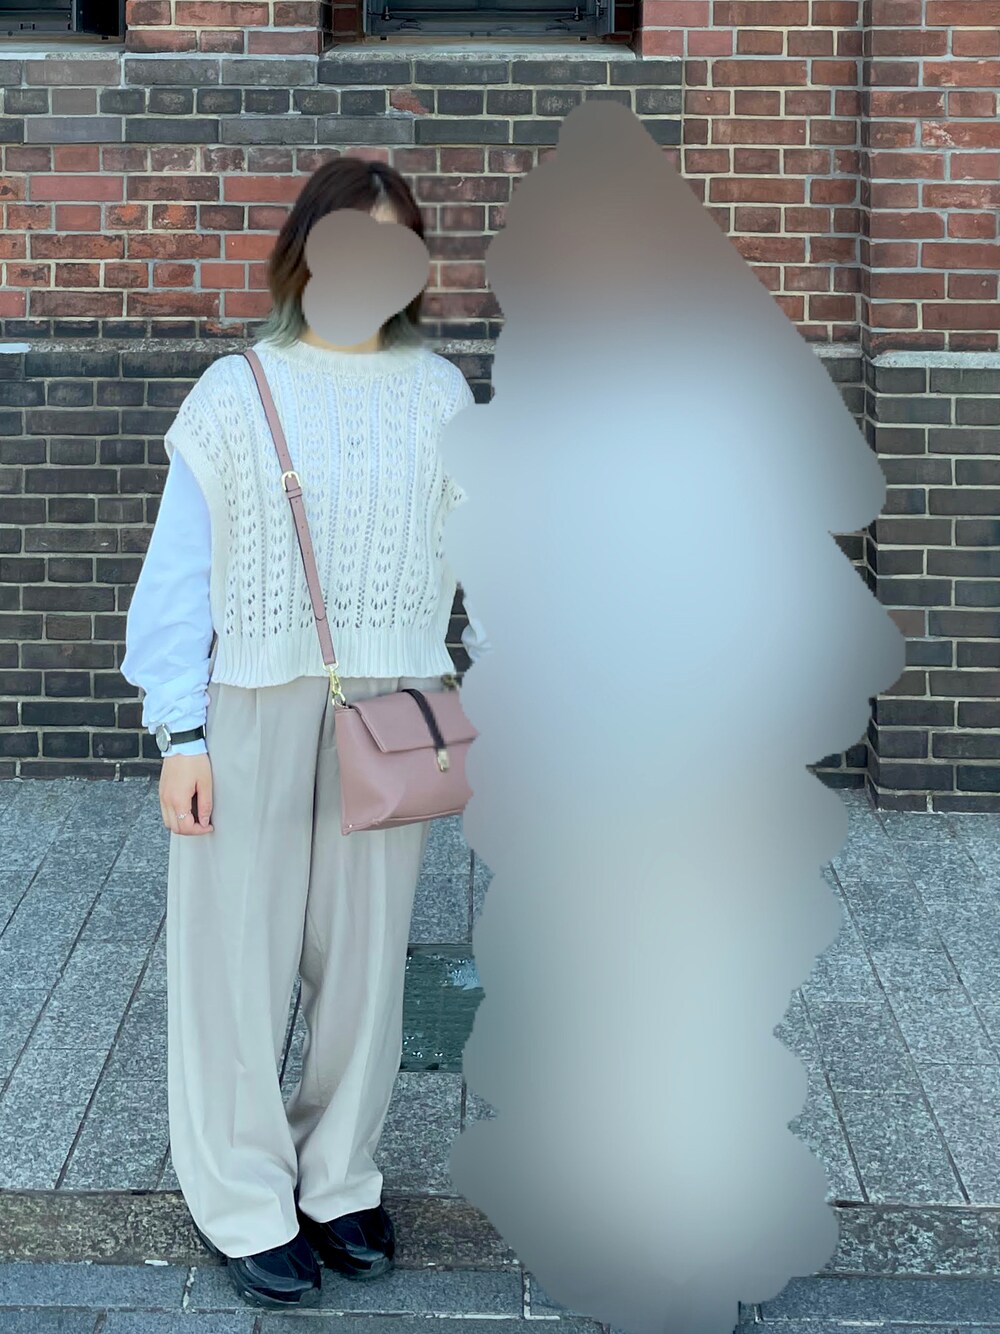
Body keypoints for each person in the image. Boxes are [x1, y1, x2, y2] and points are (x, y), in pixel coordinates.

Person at [121, 157, 489, 1311]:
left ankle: (336, 1177)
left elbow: (493, 555)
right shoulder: (236, 392)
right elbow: (177, 575)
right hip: (252, 705)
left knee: (366, 967)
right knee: (235, 962)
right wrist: (180, 731)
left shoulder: (441, 395)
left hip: (396, 716)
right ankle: (241, 1194)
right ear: (304, 255)